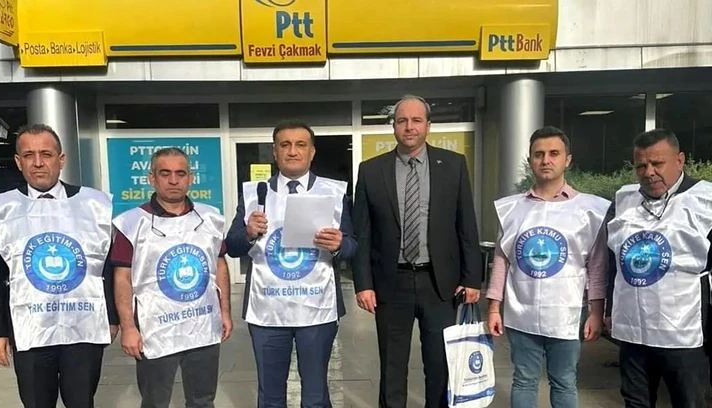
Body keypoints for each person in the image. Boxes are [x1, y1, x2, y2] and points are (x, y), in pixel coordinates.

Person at [352, 95, 482, 408]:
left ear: (428, 126)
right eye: (402, 121)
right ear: (394, 127)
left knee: (439, 365)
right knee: (392, 367)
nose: (409, 127)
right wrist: (363, 284)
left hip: (440, 284)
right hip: (390, 283)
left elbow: (466, 225)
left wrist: (472, 278)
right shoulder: (371, 170)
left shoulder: (453, 165)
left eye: (416, 120)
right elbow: (363, 233)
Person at [225, 120, 357, 408]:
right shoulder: (255, 193)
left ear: (312, 152)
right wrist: (247, 233)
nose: (293, 151)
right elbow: (231, 246)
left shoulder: (334, 193)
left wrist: (339, 245)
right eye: (285, 145)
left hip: (317, 311)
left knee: (316, 396)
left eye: (300, 145)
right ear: (275, 152)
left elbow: (352, 245)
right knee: (270, 397)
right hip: (267, 312)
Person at [0, 123, 119, 408]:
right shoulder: (0, 210)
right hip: (30, 328)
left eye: (46, 154)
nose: (38, 163)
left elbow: (107, 265)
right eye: (29, 155)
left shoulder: (94, 204)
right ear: (18, 162)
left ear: (61, 160)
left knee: (81, 402)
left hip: (83, 327)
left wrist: (111, 316)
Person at [485, 126, 609, 408]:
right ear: (530, 160)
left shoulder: (589, 210)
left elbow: (597, 266)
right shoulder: (511, 209)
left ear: (567, 159)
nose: (546, 160)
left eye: (554, 153)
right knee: (524, 380)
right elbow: (501, 260)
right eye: (539, 154)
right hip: (521, 312)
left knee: (564, 381)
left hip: (567, 313)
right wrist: (493, 307)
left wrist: (596, 312)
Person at [111, 147, 232, 408]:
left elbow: (219, 265)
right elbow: (122, 279)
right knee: (155, 402)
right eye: (165, 174)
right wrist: (128, 328)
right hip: (155, 329)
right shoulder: (132, 223)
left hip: (203, 325)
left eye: (180, 173)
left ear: (191, 178)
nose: (173, 180)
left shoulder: (210, 217)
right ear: (152, 178)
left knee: (203, 401)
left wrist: (225, 311)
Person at [605, 128, 712, 408]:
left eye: (657, 163)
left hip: (683, 332)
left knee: (688, 402)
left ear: (680, 160)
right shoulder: (623, 202)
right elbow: (612, 262)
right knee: (635, 403)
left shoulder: (708, 202)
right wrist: (609, 310)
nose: (649, 172)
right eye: (641, 166)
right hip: (633, 331)